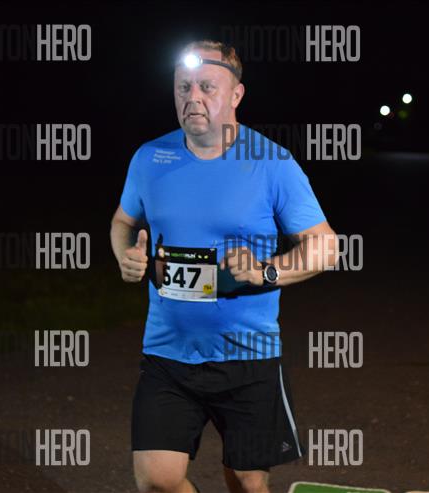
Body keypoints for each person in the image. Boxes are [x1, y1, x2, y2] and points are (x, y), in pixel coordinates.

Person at [110, 40, 337, 493]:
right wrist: (125, 255)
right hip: (167, 353)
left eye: (207, 87)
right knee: (157, 481)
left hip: (248, 356)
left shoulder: (272, 163)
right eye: (183, 87)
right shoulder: (150, 158)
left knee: (248, 483)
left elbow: (326, 247)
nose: (193, 98)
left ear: (236, 94)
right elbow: (122, 222)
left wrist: (265, 272)